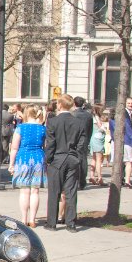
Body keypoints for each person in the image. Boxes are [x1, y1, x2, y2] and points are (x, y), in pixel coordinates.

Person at [44, 94, 86, 231]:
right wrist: (77, 158)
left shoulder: (53, 121)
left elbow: (50, 143)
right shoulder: (78, 122)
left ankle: (51, 223)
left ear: (60, 105)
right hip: (72, 158)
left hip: (57, 158)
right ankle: (71, 223)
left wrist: (48, 160)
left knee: (54, 192)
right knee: (71, 191)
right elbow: (82, 143)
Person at [8, 105, 47, 228]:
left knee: (24, 191)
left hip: (23, 158)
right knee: (35, 191)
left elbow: (14, 148)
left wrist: (11, 164)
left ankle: (24, 219)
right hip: (38, 158)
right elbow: (45, 146)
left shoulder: (20, 128)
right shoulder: (42, 129)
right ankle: (33, 220)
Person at [109, 97, 132, 188]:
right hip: (126, 141)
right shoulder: (124, 114)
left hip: (120, 140)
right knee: (128, 162)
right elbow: (128, 129)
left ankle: (121, 179)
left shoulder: (125, 113)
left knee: (121, 161)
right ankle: (126, 181)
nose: (130, 105)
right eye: (128, 103)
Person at [72, 96, 94, 190]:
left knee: (74, 159)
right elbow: (90, 129)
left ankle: (75, 181)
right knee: (83, 160)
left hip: (74, 139)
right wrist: (88, 139)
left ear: (74, 103)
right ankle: (82, 181)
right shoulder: (88, 115)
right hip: (84, 139)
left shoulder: (73, 114)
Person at [89, 103, 107, 186]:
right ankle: (99, 177)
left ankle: (92, 176)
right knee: (99, 159)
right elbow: (101, 127)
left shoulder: (93, 117)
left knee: (94, 158)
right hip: (97, 139)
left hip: (94, 138)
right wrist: (105, 128)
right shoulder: (96, 117)